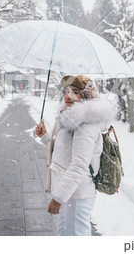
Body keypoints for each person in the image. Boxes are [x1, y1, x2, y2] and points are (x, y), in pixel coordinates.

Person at [35, 75, 115, 236]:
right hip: (67, 189)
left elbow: (79, 165)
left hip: (78, 193)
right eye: (66, 91)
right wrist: (45, 136)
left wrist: (58, 199)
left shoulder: (86, 124)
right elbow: (63, 150)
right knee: (65, 233)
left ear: (86, 96)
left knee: (76, 236)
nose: (68, 95)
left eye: (75, 92)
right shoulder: (68, 118)